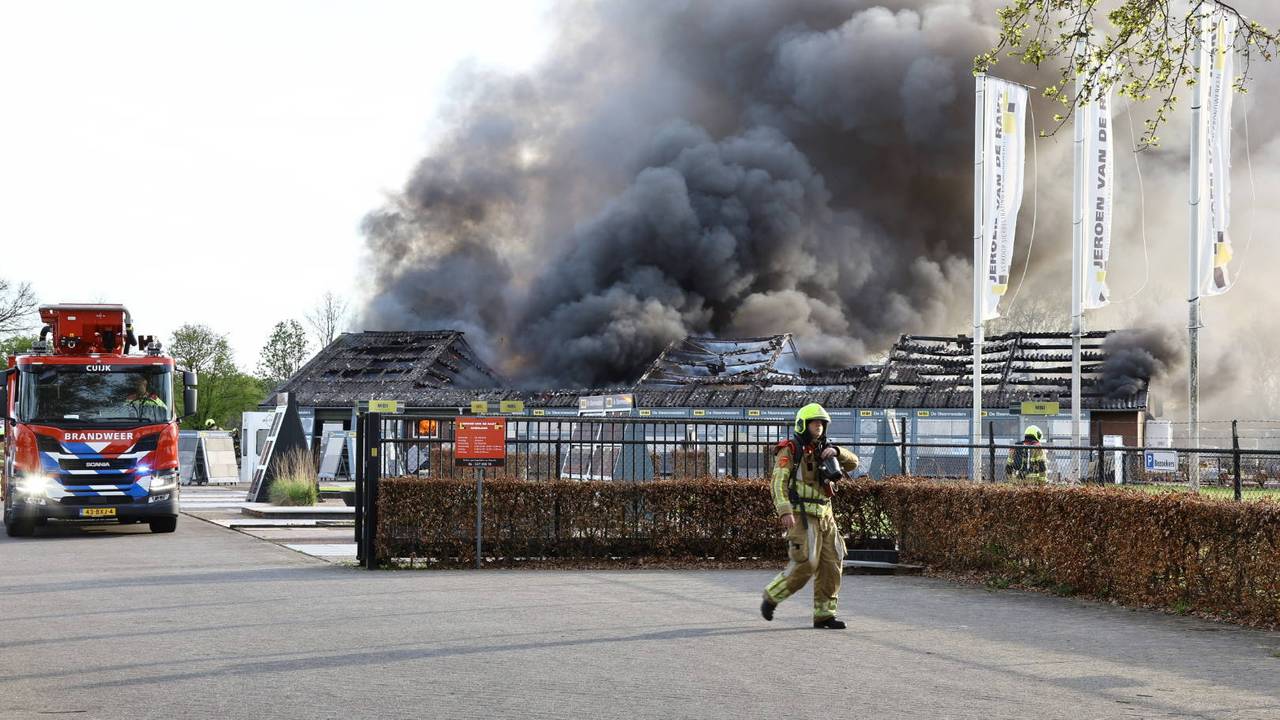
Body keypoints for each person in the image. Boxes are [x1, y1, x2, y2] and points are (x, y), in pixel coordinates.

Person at [760, 403, 860, 629]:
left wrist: (837, 452)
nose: (819, 427)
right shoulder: (790, 449)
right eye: (815, 423)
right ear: (803, 424)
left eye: (822, 423)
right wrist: (785, 511)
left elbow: (854, 463)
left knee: (832, 562)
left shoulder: (826, 448)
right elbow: (778, 483)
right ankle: (771, 596)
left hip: (826, 514)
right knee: (806, 563)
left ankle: (824, 614)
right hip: (802, 515)